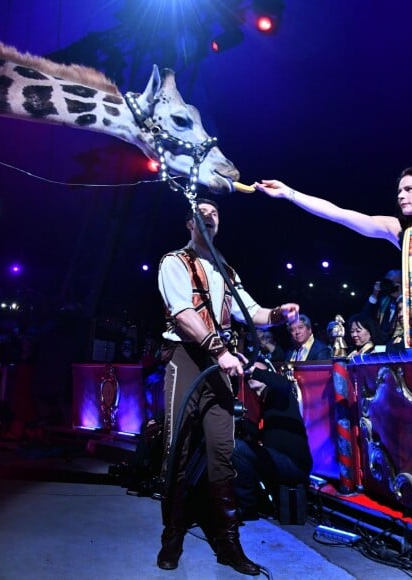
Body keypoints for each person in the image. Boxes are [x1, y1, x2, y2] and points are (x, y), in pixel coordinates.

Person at [157, 197, 299, 574]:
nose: (208, 217)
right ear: (189, 223)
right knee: (178, 448)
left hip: (220, 364)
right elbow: (184, 314)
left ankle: (229, 542)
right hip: (187, 359)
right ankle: (171, 536)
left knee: (223, 450)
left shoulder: (227, 270)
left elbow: (250, 311)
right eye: (201, 213)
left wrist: (278, 314)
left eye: (215, 213)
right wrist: (220, 351)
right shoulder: (174, 262)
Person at [254, 166, 412, 348]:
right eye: (399, 190)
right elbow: (338, 213)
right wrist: (289, 193)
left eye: (409, 189)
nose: (401, 195)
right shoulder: (402, 231)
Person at [232, 361, 313, 520]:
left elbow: (283, 384)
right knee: (236, 448)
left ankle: (247, 508)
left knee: (238, 449)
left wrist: (251, 369)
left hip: (294, 464)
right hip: (278, 460)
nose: (251, 376)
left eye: (259, 372)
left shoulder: (279, 395)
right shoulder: (264, 402)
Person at [362, 270, 402, 344]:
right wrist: (375, 294)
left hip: (397, 345)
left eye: (391, 282)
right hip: (380, 344)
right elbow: (364, 317)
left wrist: (400, 296)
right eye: (386, 282)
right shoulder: (383, 301)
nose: (388, 285)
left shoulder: (406, 301)